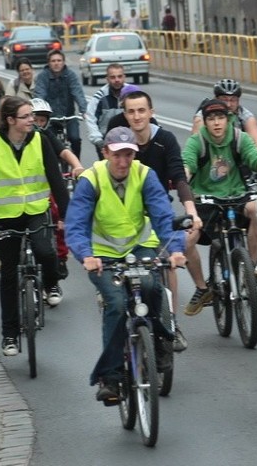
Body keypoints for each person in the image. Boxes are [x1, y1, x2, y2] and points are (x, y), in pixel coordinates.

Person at [64, 126, 186, 404]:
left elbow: (163, 216)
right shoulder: (91, 180)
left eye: (128, 155)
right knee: (117, 305)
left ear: (135, 154)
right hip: (102, 255)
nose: (123, 162)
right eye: (117, 155)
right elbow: (75, 226)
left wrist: (175, 251)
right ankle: (111, 378)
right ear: (105, 152)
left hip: (139, 246)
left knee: (151, 285)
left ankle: (159, 342)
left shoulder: (145, 175)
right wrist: (86, 256)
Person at [0, 96, 70, 357]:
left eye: (32, 115)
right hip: (6, 216)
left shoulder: (40, 140)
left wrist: (66, 216)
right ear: (10, 120)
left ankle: (51, 283)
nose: (32, 120)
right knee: (8, 276)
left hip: (37, 211)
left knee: (46, 251)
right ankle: (9, 334)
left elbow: (55, 179)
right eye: (26, 116)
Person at [112, 89, 199, 351]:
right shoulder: (120, 139)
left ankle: (171, 324)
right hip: (124, 214)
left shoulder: (166, 140)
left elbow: (179, 177)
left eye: (142, 110)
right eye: (131, 111)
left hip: (158, 211)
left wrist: (191, 210)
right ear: (124, 115)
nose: (137, 116)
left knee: (167, 263)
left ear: (151, 113)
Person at [181, 99, 257, 316]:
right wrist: (183, 176)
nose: (216, 123)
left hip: (237, 195)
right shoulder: (197, 142)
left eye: (220, 118)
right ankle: (202, 287)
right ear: (205, 122)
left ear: (228, 120)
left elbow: (255, 158)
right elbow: (187, 164)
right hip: (206, 200)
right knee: (187, 239)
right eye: (211, 119)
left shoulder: (239, 138)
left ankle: (250, 267)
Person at [31, 98, 84, 279]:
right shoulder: (18, 138)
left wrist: (77, 165)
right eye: (35, 119)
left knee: (59, 217)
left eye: (42, 120)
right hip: (27, 190)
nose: (38, 124)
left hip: (48, 185)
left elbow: (64, 151)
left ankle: (61, 257)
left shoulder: (47, 136)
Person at [33, 48, 87, 157]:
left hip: (69, 116)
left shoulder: (70, 75)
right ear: (49, 63)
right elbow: (40, 94)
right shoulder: (42, 77)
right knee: (48, 142)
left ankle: (76, 165)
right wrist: (39, 110)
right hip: (50, 118)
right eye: (53, 61)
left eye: (59, 60)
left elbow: (77, 92)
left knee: (75, 139)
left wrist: (84, 110)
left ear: (63, 62)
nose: (56, 63)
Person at [190, 79, 257, 151]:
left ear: (238, 101)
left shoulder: (245, 115)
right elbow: (196, 144)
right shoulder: (203, 115)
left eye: (233, 100)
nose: (228, 105)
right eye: (224, 99)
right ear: (215, 99)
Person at [86, 63, 128, 159]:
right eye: (113, 77)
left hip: (128, 140)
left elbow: (145, 111)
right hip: (106, 142)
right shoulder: (100, 96)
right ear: (107, 79)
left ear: (124, 77)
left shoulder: (132, 93)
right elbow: (90, 118)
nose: (117, 80)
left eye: (120, 76)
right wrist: (98, 140)